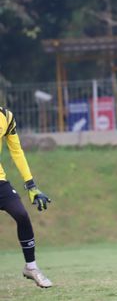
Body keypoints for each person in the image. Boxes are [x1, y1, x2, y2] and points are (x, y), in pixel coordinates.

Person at [0, 107, 52, 287]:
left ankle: (31, 267)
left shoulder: (6, 117)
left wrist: (31, 185)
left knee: (21, 215)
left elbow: (16, 151)